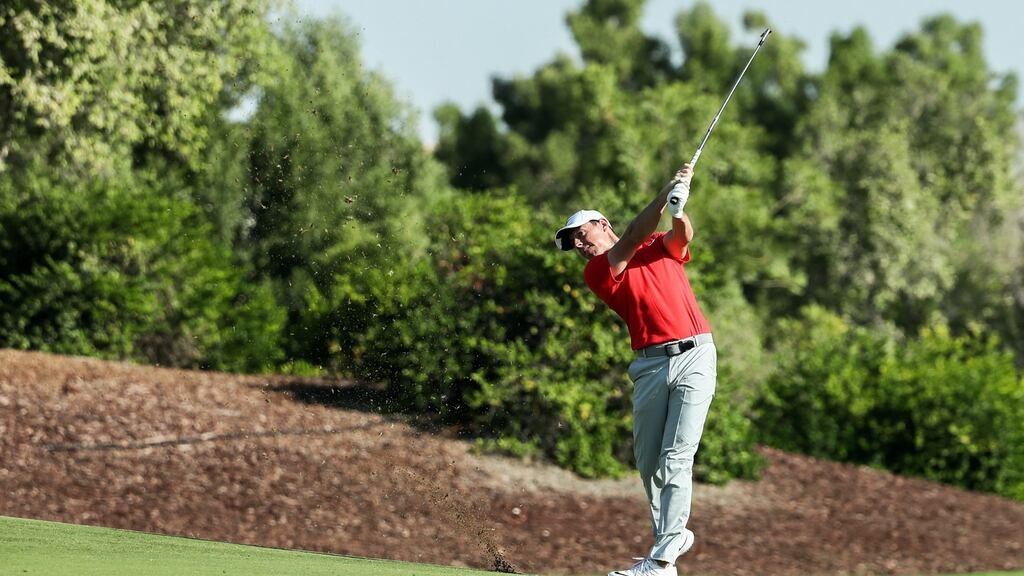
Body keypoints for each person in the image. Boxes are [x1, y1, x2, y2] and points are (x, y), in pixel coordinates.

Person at [553, 164, 716, 576]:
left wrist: (678, 208)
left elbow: (681, 239)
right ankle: (667, 551)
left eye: (581, 235)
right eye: (572, 243)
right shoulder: (599, 270)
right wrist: (665, 192)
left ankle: (663, 557)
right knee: (649, 463)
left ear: (599, 224)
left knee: (677, 456)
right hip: (648, 367)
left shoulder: (660, 244)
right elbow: (631, 238)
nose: (578, 245)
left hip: (695, 356)